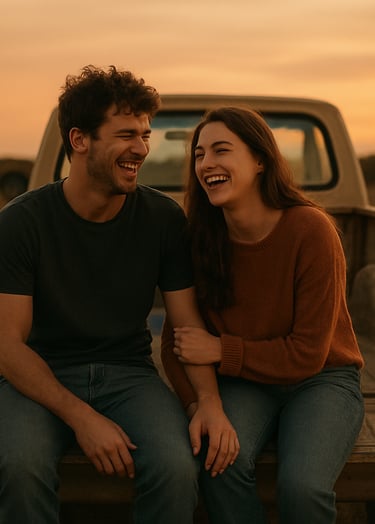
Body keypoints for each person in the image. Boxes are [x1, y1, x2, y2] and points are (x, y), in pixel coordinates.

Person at [0, 66, 239, 524]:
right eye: (127, 133)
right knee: (19, 466)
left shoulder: (162, 219)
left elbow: (187, 325)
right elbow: (8, 344)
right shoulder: (21, 222)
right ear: (80, 139)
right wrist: (82, 417)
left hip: (128, 373)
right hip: (39, 375)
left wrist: (208, 402)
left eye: (146, 134)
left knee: (174, 467)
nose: (142, 149)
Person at [161, 106, 365, 524]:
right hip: (247, 383)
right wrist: (200, 405)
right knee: (218, 464)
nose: (207, 164)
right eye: (199, 154)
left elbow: (308, 354)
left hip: (321, 378)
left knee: (302, 488)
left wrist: (220, 350)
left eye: (221, 150)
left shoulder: (311, 231)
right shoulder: (199, 239)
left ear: (259, 160)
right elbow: (176, 344)